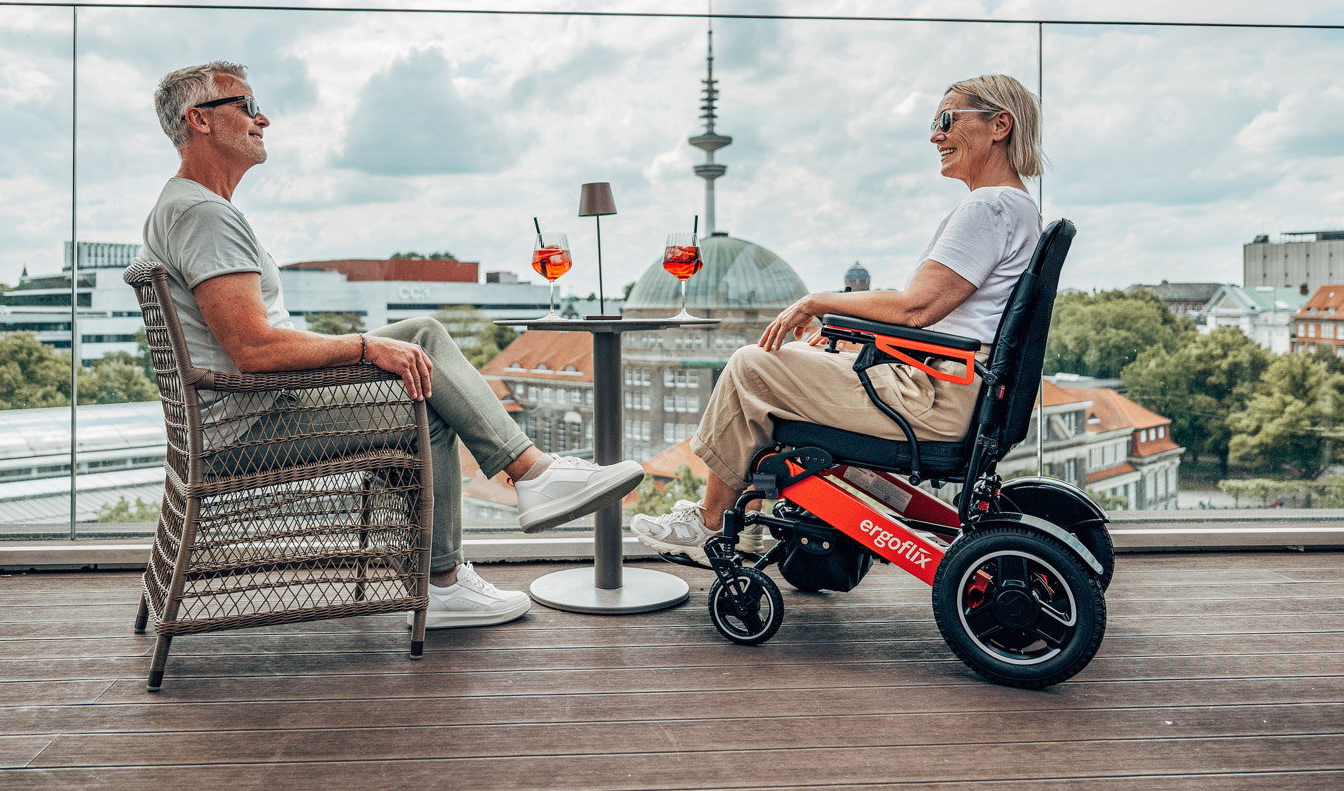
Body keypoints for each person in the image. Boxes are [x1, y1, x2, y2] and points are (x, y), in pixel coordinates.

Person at [138, 61, 645, 627]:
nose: (264, 118)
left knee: (421, 338)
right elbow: (254, 350)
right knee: (425, 400)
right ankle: (449, 575)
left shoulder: (188, 207)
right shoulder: (204, 215)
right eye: (245, 104)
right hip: (254, 424)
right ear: (198, 120)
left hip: (248, 408)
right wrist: (363, 347)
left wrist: (372, 346)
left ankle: (529, 479)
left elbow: (256, 341)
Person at [632, 74, 1045, 564]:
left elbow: (917, 309)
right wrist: (857, 336)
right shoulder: (1019, 208)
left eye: (946, 120)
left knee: (751, 365)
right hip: (955, 386)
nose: (935, 135)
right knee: (790, 361)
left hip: (933, 395)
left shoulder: (988, 206)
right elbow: (943, 318)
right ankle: (739, 530)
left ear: (1000, 125)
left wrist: (817, 303)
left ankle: (711, 523)